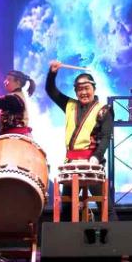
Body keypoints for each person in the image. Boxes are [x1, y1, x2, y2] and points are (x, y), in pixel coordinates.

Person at [46, 60, 118, 221]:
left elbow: (106, 137)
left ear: (93, 88)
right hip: (71, 164)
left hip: (92, 163)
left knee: (105, 206)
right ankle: (65, 243)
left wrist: (96, 158)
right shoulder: (69, 105)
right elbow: (51, 91)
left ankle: (116, 244)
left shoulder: (104, 110)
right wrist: (52, 73)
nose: (83, 92)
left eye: (86, 88)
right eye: (79, 89)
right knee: (66, 208)